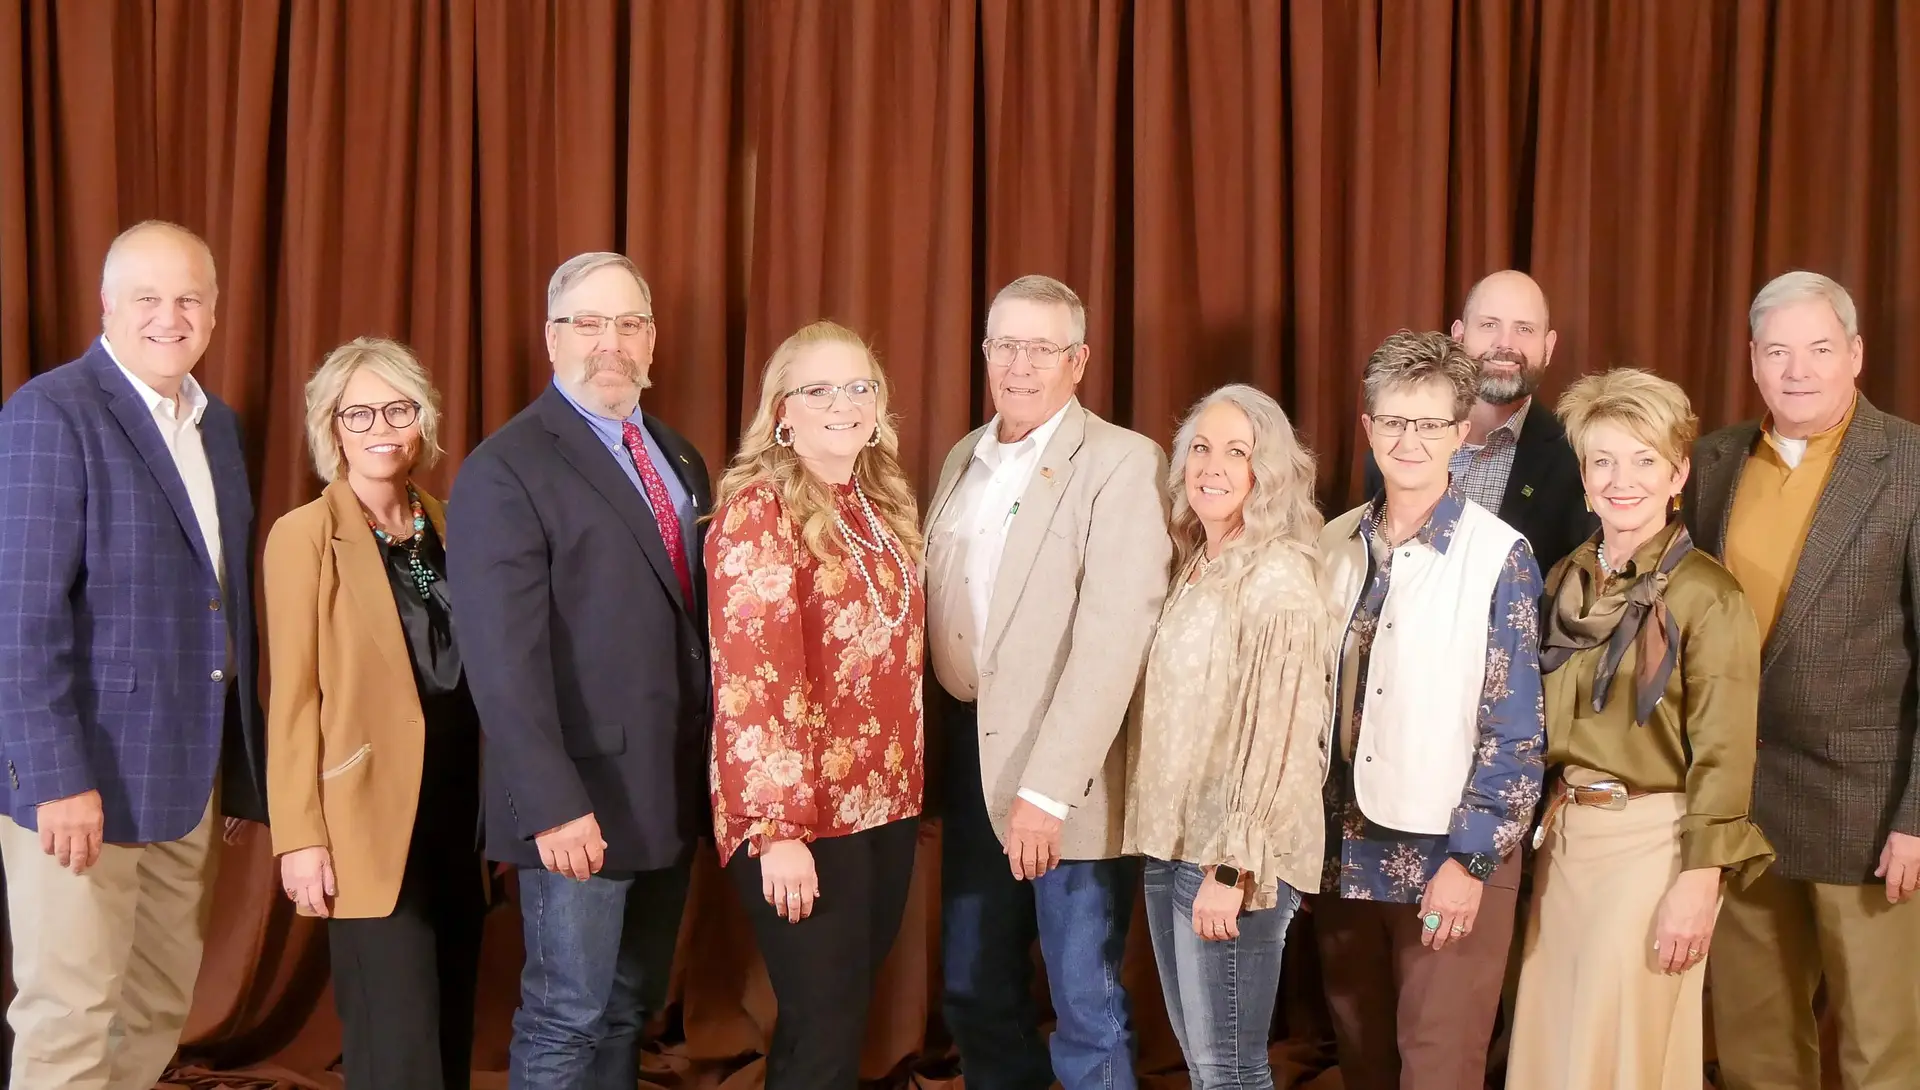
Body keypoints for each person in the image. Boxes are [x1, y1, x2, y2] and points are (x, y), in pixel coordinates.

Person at [0, 220, 268, 1090]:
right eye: (147, 298)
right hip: (81, 785)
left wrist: (238, 765)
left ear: (215, 313)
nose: (170, 316)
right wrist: (53, 779)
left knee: (154, 1008)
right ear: (107, 305)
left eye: (189, 298)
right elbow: (21, 616)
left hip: (185, 781)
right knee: (71, 1017)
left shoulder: (214, 424)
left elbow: (216, 606)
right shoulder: (52, 411)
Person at [447, 252, 711, 1090]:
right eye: (589, 324)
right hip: (578, 802)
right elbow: (500, 662)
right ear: (553, 337)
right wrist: (554, 806)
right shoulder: (506, 466)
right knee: (566, 1015)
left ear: (653, 340)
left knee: (628, 1011)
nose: (611, 343)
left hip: (665, 788)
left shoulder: (678, 456)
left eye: (628, 324)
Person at [925, 274, 1173, 1090]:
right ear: (986, 353)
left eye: (1042, 348)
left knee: (1084, 1003)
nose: (1020, 365)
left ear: (1080, 361)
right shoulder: (967, 455)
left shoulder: (1121, 462)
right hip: (969, 756)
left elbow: (1113, 641)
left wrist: (1049, 790)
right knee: (970, 986)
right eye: (1006, 345)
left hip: (1065, 778)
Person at [1506, 368, 1773, 1088]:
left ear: (1678, 472)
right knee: (1553, 1049)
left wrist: (1699, 882)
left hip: (1653, 847)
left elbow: (1724, 754)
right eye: (1604, 461)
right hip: (1566, 845)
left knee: (1624, 1052)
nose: (1623, 480)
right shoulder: (1564, 579)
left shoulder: (1706, 595)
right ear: (1586, 481)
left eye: (1644, 460)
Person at [1685, 271, 1920, 1090]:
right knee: (1755, 1053)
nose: (1798, 369)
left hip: (1868, 813)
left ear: (1854, 354)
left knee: (1881, 1055)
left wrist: (1917, 818)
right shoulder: (1711, 462)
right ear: (1752, 360)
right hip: (1740, 808)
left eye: (1819, 348)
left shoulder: (1910, 465)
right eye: (1778, 350)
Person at [1314, 329, 1546, 1090]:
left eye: (1430, 423)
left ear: (1460, 432)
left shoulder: (1499, 555)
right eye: (1393, 420)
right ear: (1367, 426)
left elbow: (1514, 733)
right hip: (1341, 854)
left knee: (1439, 1070)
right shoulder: (1333, 543)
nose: (1409, 440)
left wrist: (1471, 860)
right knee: (1365, 1065)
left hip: (1448, 856)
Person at [706, 320, 926, 1089]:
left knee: (826, 1021)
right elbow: (752, 681)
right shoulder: (758, 513)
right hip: (803, 818)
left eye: (859, 386)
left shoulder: (880, 505)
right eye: (819, 388)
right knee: (828, 1031)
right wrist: (777, 834)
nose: (844, 403)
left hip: (883, 804)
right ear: (783, 411)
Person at [263, 337, 488, 1090]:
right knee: (397, 1040)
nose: (380, 426)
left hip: (461, 809)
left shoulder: (452, 523)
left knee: (451, 1020)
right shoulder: (303, 537)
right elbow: (291, 697)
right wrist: (299, 836)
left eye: (398, 408)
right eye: (358, 412)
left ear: (422, 420)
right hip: (362, 816)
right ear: (331, 427)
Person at [1123, 384, 1333, 1090]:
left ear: (1266, 473)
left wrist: (1233, 869)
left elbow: (1282, 733)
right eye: (1202, 448)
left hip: (1231, 860)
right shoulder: (1200, 563)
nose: (1212, 466)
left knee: (1232, 1073)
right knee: (1206, 1068)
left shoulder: (1279, 577)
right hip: (1175, 843)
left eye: (1236, 452)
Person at [1363, 270, 1593, 574]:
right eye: (1489, 325)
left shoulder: (1576, 459)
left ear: (1548, 347)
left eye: (1524, 328)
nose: (1505, 344)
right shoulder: (1396, 446)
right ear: (1458, 335)